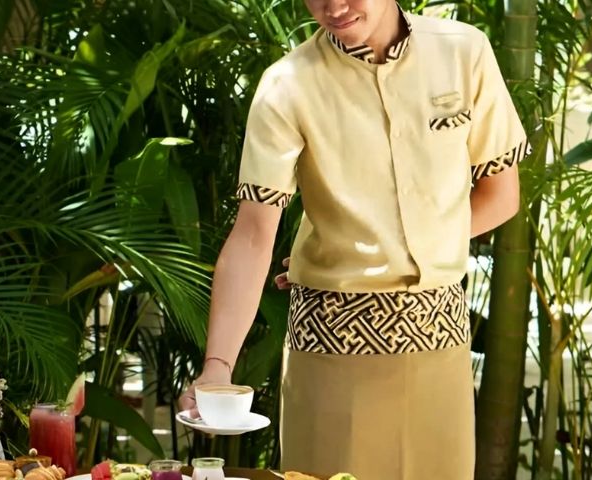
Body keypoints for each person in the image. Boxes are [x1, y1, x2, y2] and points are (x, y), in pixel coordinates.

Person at [178, 0, 529, 477]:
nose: (333, 7)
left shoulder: (464, 53)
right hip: (330, 345)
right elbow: (254, 234)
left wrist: (403, 242)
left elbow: (500, 195)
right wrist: (218, 365)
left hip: (439, 340)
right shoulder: (288, 84)